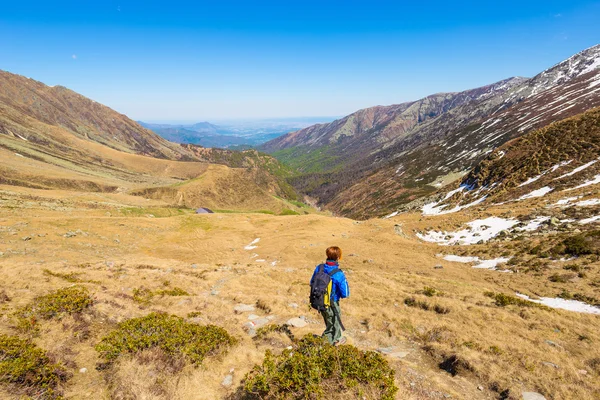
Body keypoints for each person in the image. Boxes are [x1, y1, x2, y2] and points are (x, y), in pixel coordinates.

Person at [310, 246, 350, 345]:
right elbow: (345, 293)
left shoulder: (319, 267)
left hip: (319, 300)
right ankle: (327, 344)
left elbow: (312, 282)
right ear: (338, 257)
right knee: (333, 323)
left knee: (330, 321)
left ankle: (338, 337)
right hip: (332, 302)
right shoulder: (338, 274)